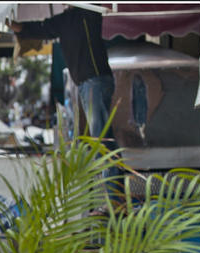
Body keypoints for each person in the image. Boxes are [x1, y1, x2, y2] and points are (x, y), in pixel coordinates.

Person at [10, 7, 122, 191]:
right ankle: (112, 196)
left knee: (102, 141)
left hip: (95, 80)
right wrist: (15, 26)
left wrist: (17, 27)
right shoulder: (66, 19)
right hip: (88, 82)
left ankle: (114, 198)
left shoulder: (88, 11)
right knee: (101, 140)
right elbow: (40, 28)